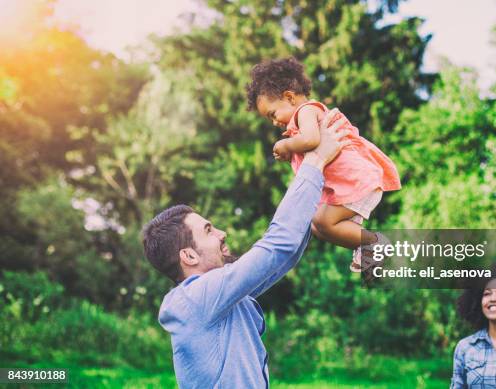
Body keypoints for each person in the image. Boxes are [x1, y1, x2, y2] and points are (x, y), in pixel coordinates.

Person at [141, 109, 351, 389]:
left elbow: (281, 257)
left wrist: (315, 199)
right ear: (188, 256)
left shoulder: (218, 298)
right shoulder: (197, 298)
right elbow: (276, 246)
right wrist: (315, 160)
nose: (221, 233)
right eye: (208, 230)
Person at [246, 57, 401, 272]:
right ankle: (365, 244)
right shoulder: (302, 119)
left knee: (323, 222)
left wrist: (286, 144)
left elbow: (311, 140)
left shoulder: (306, 111)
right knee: (319, 226)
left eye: (273, 114)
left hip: (356, 181)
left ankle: (374, 243)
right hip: (349, 184)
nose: (274, 122)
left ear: (289, 97)